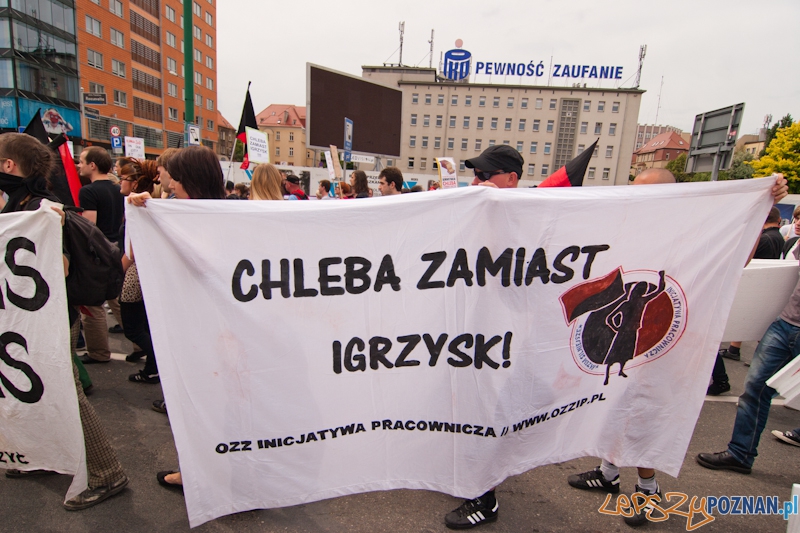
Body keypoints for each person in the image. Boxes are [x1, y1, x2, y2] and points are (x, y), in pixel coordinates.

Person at [0, 133, 129, 510]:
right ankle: (41, 454)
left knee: (66, 390)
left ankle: (108, 471)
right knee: (33, 387)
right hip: (26, 320)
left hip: (51, 318)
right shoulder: (20, 203)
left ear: (9, 165)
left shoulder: (43, 209)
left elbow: (60, 267)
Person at [127, 145, 227, 491]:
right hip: (211, 330)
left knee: (203, 405)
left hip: (209, 333)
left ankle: (202, 473)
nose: (166, 184)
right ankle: (216, 472)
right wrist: (144, 209)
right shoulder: (217, 213)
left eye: (172, 180)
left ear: (189, 181)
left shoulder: (209, 218)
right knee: (215, 408)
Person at [711, 206, 786, 395]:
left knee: (704, 343)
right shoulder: (777, 238)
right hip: (753, 293)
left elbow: (744, 264)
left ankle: (721, 379)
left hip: (746, 292)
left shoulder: (767, 239)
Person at [76, 147, 125, 364]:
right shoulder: (118, 188)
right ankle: (138, 341)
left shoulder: (88, 192)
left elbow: (89, 227)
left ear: (92, 165)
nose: (79, 165)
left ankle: (98, 352)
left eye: (81, 161)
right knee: (118, 298)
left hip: (98, 251)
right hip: (116, 247)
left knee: (93, 303)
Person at [116, 158, 161, 385]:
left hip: (136, 273)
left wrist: (116, 272)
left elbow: (132, 250)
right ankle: (153, 367)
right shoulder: (140, 204)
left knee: (133, 328)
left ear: (134, 183)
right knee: (142, 325)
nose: (119, 182)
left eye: (122, 178)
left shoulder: (138, 207)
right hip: (142, 270)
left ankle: (157, 361)